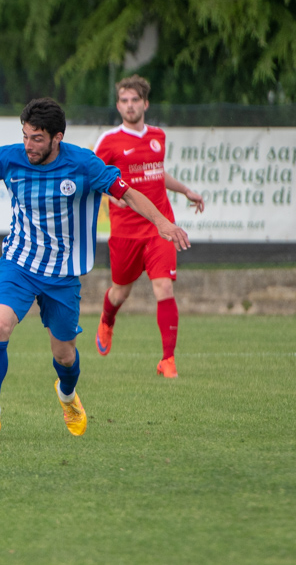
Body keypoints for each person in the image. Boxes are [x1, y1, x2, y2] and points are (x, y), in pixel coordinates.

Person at [0, 98, 190, 439]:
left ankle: (68, 396)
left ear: (57, 137)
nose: (29, 145)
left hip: (63, 273)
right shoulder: (9, 157)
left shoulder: (85, 164)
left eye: (37, 139)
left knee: (65, 356)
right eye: (26, 136)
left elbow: (128, 193)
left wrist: (162, 222)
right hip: (19, 263)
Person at [93, 75, 205, 378]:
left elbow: (157, 174)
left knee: (164, 287)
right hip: (125, 232)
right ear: (118, 105)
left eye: (134, 100)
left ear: (145, 103)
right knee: (120, 292)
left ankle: (167, 360)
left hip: (160, 228)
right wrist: (111, 197)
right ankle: (107, 320)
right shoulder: (109, 141)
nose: (129, 106)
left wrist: (185, 191)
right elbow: (94, 176)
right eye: (124, 101)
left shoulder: (158, 136)